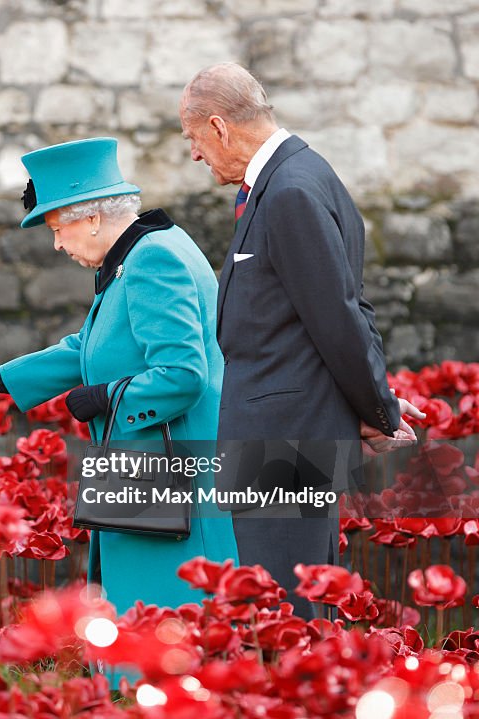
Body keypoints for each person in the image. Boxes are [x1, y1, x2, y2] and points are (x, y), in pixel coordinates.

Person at [0, 137, 238, 621]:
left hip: (172, 480)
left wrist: (107, 396)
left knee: (162, 627)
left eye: (57, 228)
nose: (56, 244)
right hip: (153, 478)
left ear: (91, 217)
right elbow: (90, 347)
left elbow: (183, 375)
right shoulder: (142, 253)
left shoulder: (153, 260)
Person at [178, 62, 423, 618]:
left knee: (285, 609)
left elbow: (336, 315)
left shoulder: (288, 190)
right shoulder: (304, 174)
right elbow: (343, 306)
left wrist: (377, 408)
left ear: (219, 127)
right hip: (288, 430)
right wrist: (369, 403)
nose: (195, 154)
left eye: (193, 139)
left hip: (281, 440)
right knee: (287, 601)